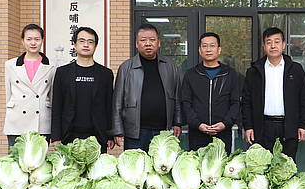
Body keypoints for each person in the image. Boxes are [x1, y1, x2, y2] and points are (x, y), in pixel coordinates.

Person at [240, 27, 305, 161]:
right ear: (264, 46)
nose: (273, 46)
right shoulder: (254, 71)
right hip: (262, 128)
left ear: (283, 45)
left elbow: (304, 99)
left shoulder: (295, 69)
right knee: (261, 167)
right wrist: (248, 127)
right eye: (269, 42)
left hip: (288, 128)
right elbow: (246, 101)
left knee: (287, 167)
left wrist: (303, 125)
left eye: (277, 42)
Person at [112, 23, 182, 152]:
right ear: (136, 43)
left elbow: (177, 96)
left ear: (158, 43)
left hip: (163, 131)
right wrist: (117, 130)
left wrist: (177, 122)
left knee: (161, 164)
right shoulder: (126, 67)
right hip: (135, 133)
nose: (148, 44)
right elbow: (117, 101)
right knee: (136, 164)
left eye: (152, 40)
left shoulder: (170, 65)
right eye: (143, 40)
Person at [51, 27, 115, 153]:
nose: (86, 45)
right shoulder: (62, 72)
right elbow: (57, 106)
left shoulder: (105, 74)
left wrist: (110, 135)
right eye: (81, 41)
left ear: (95, 46)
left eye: (90, 42)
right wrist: (56, 136)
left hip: (97, 136)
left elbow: (109, 106)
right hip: (69, 135)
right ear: (75, 45)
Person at [181, 32, 240, 153]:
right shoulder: (191, 74)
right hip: (197, 135)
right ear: (199, 50)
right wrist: (198, 124)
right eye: (205, 46)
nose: (208, 49)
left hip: (223, 134)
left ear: (219, 49)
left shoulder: (230, 74)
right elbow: (186, 103)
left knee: (221, 164)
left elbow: (235, 103)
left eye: (212, 45)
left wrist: (225, 123)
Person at [3, 24, 57, 149]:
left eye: (37, 39)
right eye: (29, 39)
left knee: (40, 158)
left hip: (42, 120)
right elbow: (8, 93)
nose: (33, 43)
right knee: (16, 158)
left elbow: (52, 95)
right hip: (17, 120)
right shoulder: (10, 65)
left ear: (42, 40)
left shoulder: (52, 65)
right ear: (22, 41)